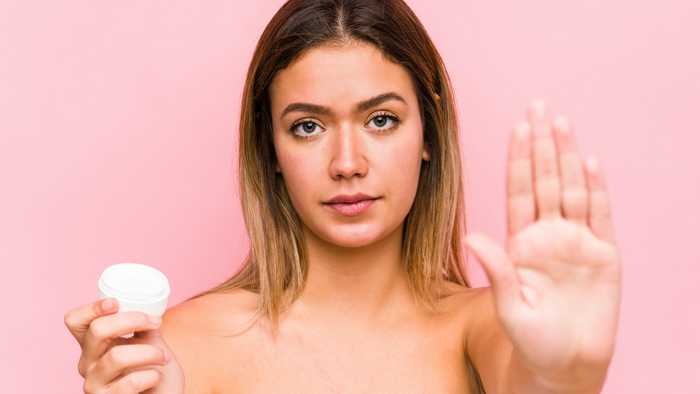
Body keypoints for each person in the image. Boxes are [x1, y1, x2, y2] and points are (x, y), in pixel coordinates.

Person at [63, 0, 622, 393]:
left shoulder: (487, 330)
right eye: (308, 127)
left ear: (428, 133)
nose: (348, 164)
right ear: (271, 149)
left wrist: (567, 377)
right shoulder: (178, 346)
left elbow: (540, 384)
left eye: (381, 120)